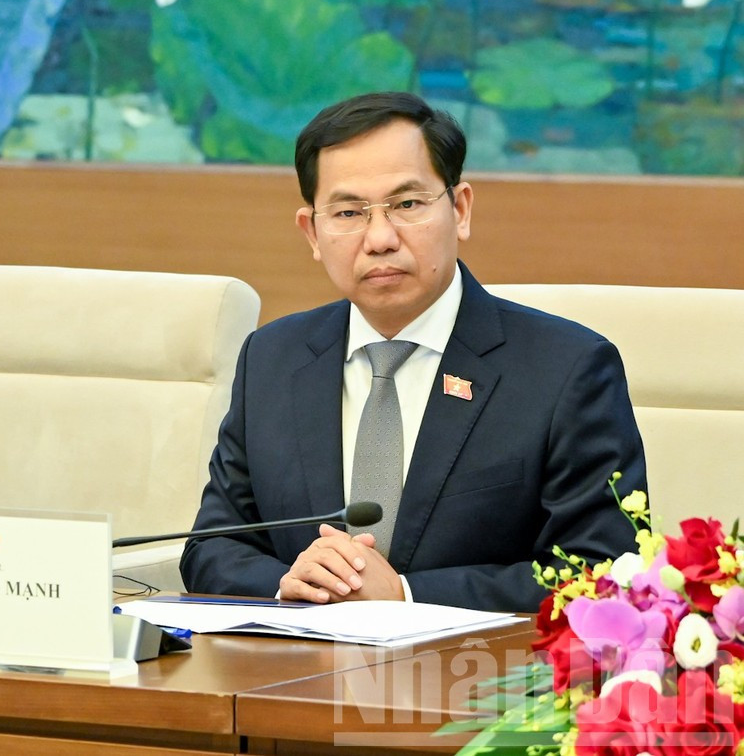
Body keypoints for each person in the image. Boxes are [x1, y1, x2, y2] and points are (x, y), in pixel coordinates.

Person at [181, 92, 645, 612]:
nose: (380, 238)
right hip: (295, 659)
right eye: (348, 212)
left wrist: (405, 595)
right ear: (312, 232)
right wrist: (290, 582)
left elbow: (603, 570)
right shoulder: (272, 358)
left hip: (476, 664)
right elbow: (212, 546)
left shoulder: (566, 369)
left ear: (460, 209)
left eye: (407, 205)